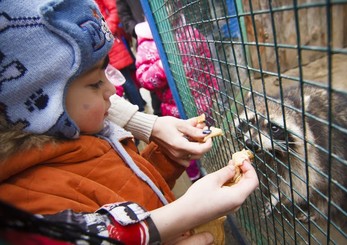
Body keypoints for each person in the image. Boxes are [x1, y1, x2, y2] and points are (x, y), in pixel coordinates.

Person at [0, 0, 258, 244]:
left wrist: (169, 157)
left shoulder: (91, 133)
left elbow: (130, 186)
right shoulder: (29, 201)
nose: (113, 89)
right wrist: (184, 213)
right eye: (94, 82)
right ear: (38, 104)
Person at [135, 20, 218, 182]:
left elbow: (206, 59)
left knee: (205, 135)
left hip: (203, 101)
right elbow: (143, 78)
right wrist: (163, 65)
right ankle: (196, 177)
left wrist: (213, 86)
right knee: (184, 145)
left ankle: (210, 163)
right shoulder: (148, 43)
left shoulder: (189, 31)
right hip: (176, 110)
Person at [95, 0, 146, 112]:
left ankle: (140, 109)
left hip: (109, 44)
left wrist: (106, 30)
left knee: (125, 80)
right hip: (100, 47)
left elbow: (115, 10)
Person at [116, 0, 163, 116]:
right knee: (157, 94)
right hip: (145, 38)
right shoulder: (145, 47)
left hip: (170, 29)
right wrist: (137, 29)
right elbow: (123, 14)